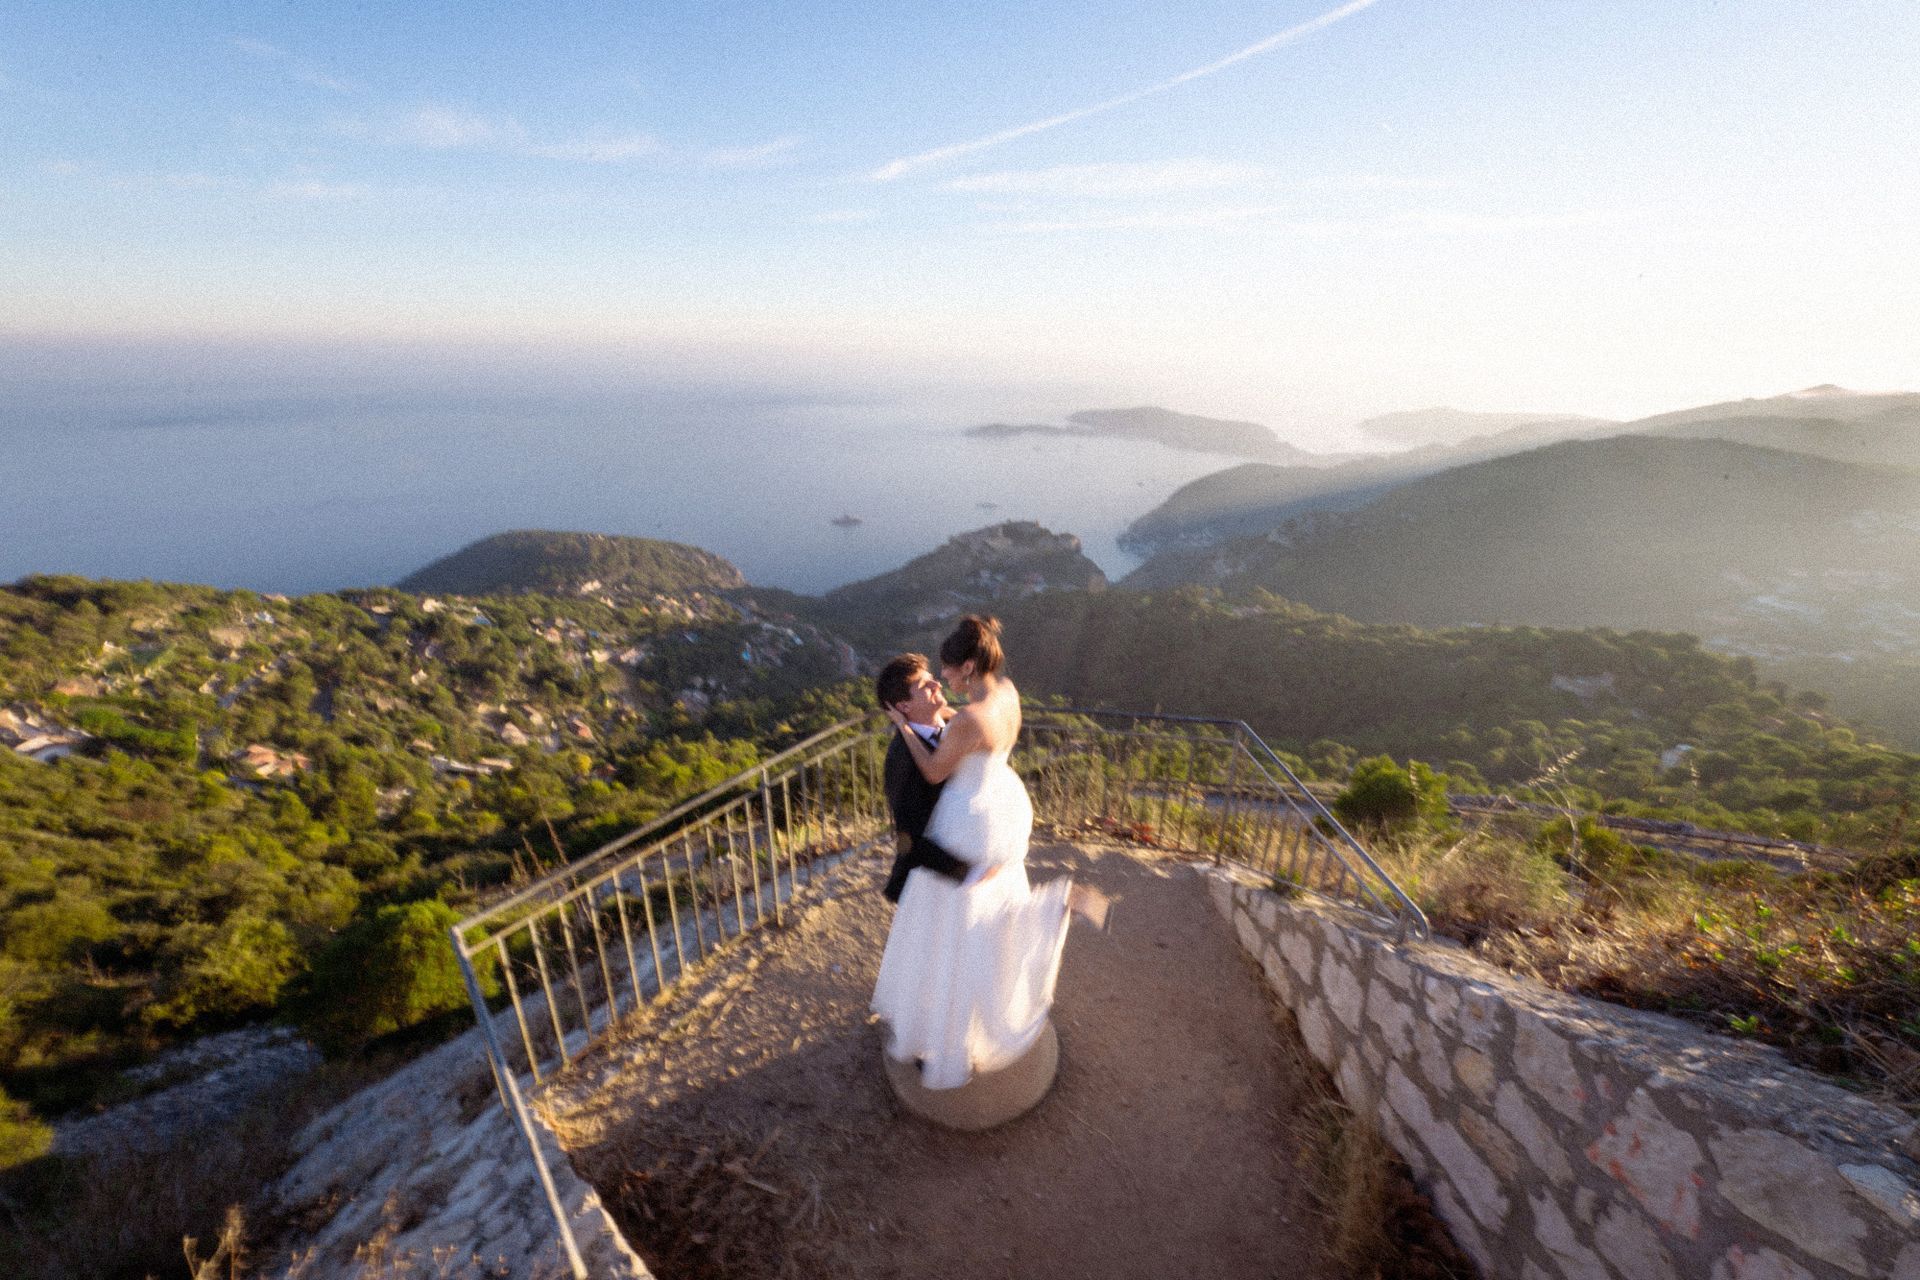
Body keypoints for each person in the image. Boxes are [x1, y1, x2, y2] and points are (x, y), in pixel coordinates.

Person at [870, 615, 1110, 1089]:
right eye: (931, 680)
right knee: (995, 913)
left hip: (970, 824)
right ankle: (1053, 904)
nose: (944, 682)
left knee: (955, 934)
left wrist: (904, 729)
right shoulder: (1006, 695)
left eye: (947, 672)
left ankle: (949, 1035)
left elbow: (936, 772)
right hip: (1002, 801)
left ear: (967, 665)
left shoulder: (965, 721)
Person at [873, 653, 974, 902]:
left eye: (932, 679)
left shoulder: (955, 722)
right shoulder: (902, 760)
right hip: (938, 882)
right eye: (924, 685)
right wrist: (970, 874)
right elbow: (911, 840)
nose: (937, 684)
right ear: (903, 707)